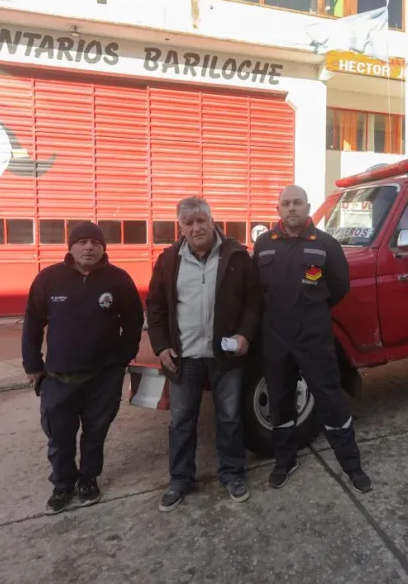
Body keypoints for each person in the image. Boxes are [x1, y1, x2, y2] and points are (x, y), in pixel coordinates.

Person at [253, 185, 372, 493]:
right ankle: (285, 461)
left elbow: (339, 286)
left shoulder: (326, 244)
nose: (291, 208)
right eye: (285, 203)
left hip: (314, 337)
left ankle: (351, 465)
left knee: (331, 400)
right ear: (278, 209)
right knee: (280, 402)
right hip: (276, 339)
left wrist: (312, 310)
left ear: (307, 207)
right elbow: (257, 290)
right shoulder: (264, 244)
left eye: (297, 203)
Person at [146, 197, 261, 511]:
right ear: (181, 228)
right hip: (184, 357)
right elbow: (155, 307)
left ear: (212, 221)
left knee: (230, 416)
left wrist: (244, 334)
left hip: (226, 356)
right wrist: (161, 346)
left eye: (201, 221)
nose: (196, 228)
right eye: (189, 223)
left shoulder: (237, 255)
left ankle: (232, 473)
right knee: (181, 421)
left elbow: (254, 301)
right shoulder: (169, 260)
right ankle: (181, 479)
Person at [22, 221, 144, 514]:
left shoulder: (118, 280)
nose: (88, 247)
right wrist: (33, 365)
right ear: (71, 247)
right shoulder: (49, 279)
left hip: (103, 377)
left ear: (103, 248)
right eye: (82, 242)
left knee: (95, 432)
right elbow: (33, 324)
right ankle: (62, 484)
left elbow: (133, 320)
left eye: (95, 242)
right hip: (58, 377)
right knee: (59, 435)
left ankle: (88, 479)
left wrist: (123, 358)